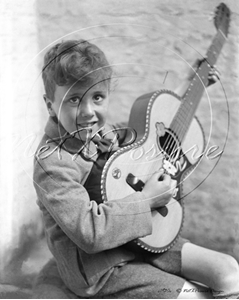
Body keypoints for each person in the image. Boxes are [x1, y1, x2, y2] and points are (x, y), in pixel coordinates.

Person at [32, 39, 239, 299]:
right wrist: (147, 199)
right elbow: (89, 232)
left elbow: (149, 126)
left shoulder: (103, 132)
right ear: (50, 104)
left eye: (97, 97)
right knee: (192, 296)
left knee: (229, 273)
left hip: (145, 241)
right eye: (74, 99)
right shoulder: (52, 163)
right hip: (102, 268)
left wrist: (191, 85)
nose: (88, 112)